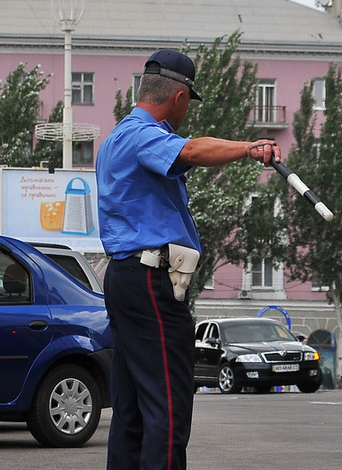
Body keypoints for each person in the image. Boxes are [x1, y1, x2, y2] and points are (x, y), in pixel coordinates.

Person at [96, 49, 280, 470]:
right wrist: (251, 148)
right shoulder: (143, 134)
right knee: (168, 405)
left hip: (127, 279)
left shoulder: (116, 139)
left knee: (131, 408)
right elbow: (194, 150)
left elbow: (184, 158)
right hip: (150, 282)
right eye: (186, 106)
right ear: (180, 98)